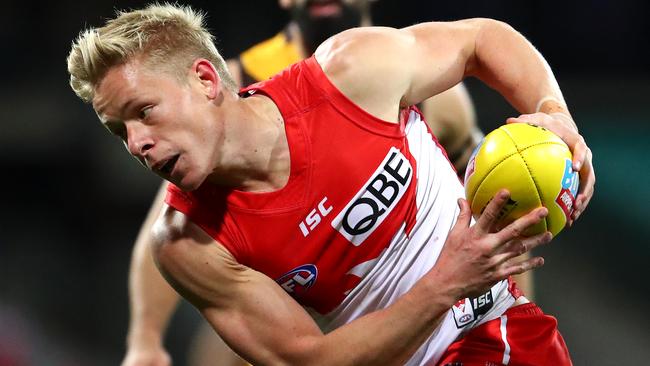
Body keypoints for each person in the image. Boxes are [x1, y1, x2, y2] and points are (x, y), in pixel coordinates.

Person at [67, 3, 595, 366]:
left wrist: (554, 114)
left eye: (144, 113)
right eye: (121, 131)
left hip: (489, 335)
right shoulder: (186, 244)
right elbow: (313, 361)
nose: (136, 143)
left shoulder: (351, 74)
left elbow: (482, 39)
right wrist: (143, 337)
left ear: (206, 80)